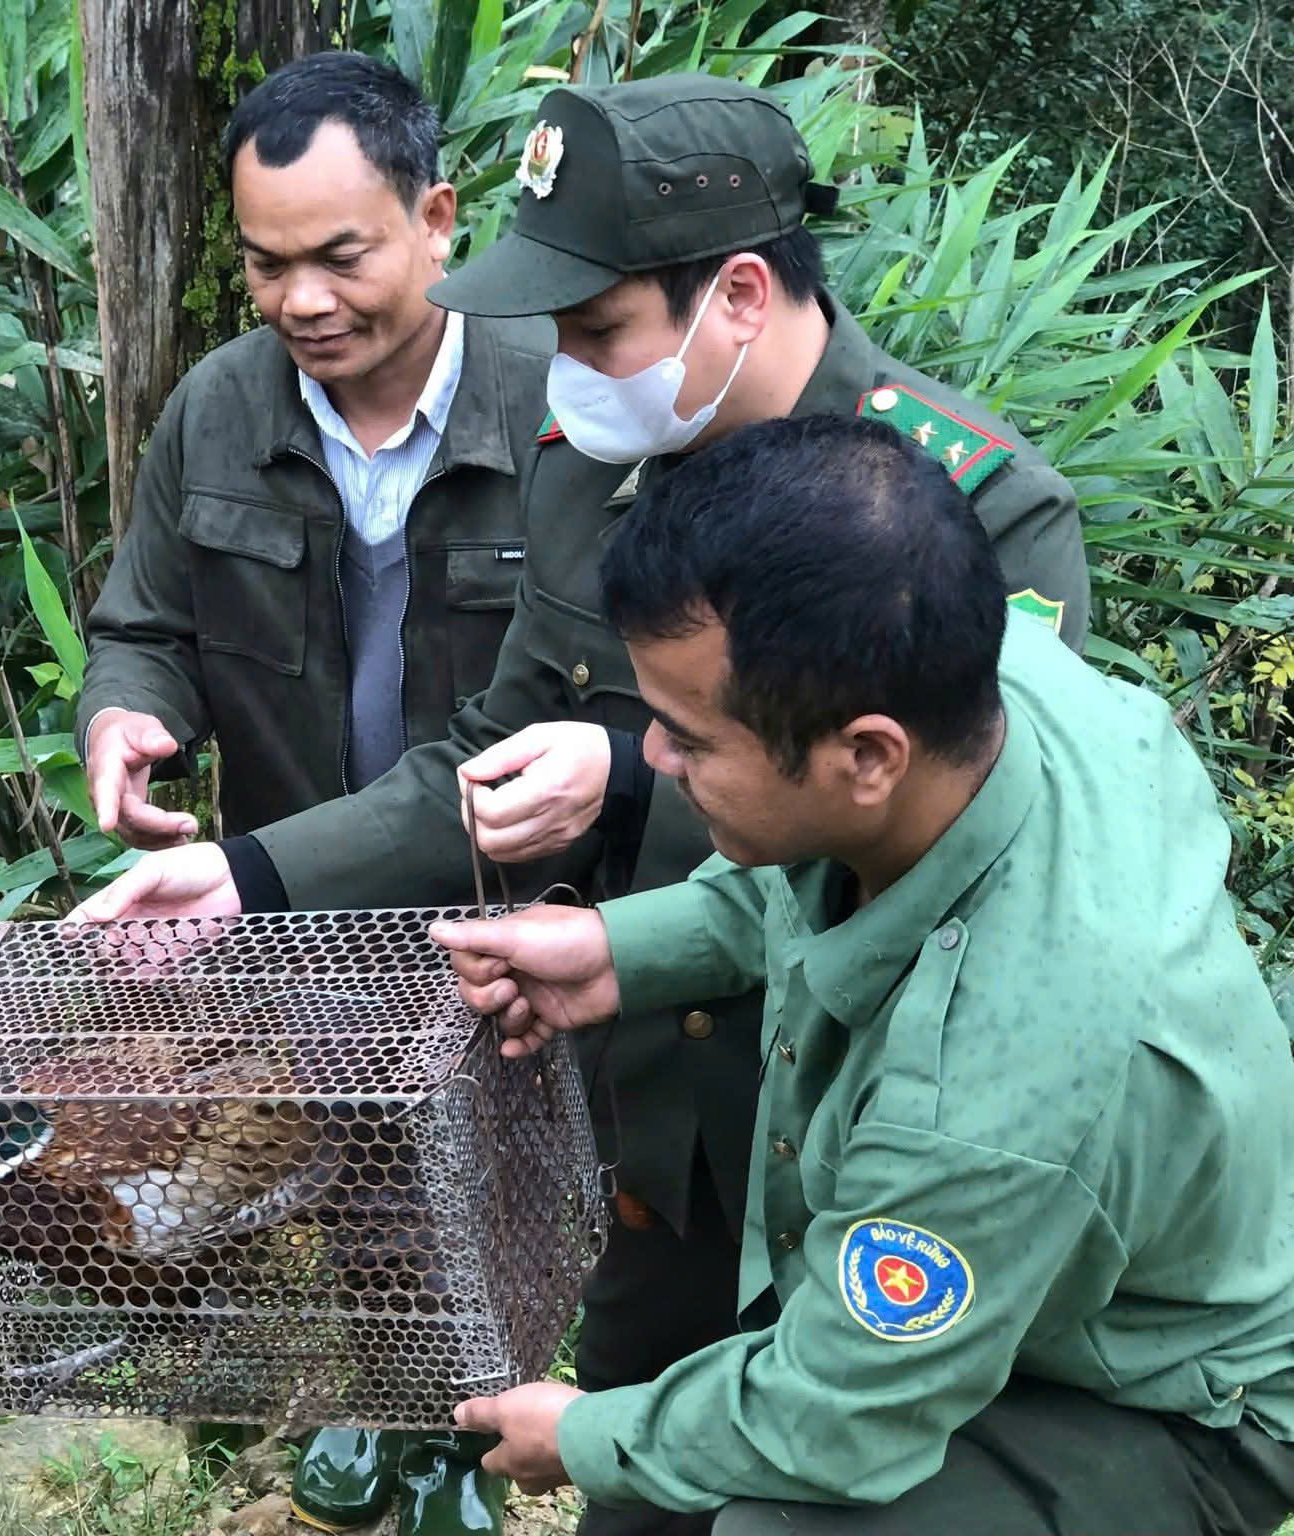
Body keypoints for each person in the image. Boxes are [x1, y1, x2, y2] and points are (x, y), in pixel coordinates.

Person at [68, 76, 1093, 1536]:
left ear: (738, 293)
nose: (558, 364)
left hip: (880, 1130)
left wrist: (618, 771)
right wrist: (246, 874)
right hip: (660, 1116)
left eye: (595, 327)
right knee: (638, 1490)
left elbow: (985, 876)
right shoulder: (591, 469)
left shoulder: (973, 510)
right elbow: (493, 741)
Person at [427, 414, 1294, 1534]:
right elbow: (813, 862)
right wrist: (618, 950)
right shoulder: (995, 681)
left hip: (1166, 1392)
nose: (649, 759)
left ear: (866, 754)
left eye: (688, 739)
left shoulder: (984, 1095)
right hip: (1050, 1261)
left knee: (771, 1524)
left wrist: (584, 1432)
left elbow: (832, 1417)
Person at [75, 49, 553, 1536]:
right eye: (267, 266)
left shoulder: (558, 402)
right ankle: (408, 1411)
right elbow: (141, 623)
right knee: (364, 1174)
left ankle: (498, 1428)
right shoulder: (221, 410)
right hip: (302, 905)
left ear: (437, 220)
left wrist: (262, 869)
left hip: (515, 890)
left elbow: (531, 718)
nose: (304, 303)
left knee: (521, 1190)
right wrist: (128, 722)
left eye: (341, 256)